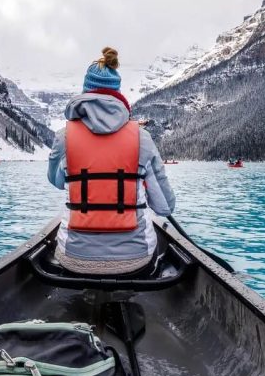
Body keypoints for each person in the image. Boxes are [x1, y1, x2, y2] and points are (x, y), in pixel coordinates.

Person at [47, 47, 176, 275]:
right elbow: (165, 207)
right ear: (117, 93)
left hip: (74, 258)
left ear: (85, 92)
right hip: (136, 259)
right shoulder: (142, 138)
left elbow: (57, 182)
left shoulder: (63, 137)